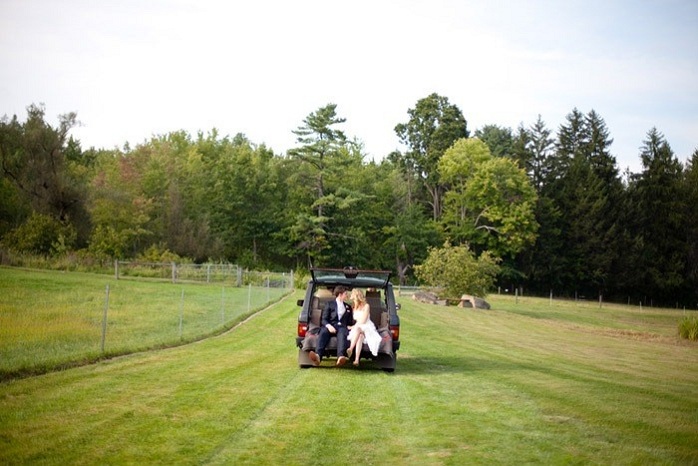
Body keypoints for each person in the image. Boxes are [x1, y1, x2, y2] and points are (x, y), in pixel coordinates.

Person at [309, 286, 353, 367]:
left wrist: (350, 326)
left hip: (342, 327)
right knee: (323, 332)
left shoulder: (348, 307)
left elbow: (349, 322)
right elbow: (324, 319)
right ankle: (318, 356)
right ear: (340, 294)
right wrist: (329, 326)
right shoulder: (329, 304)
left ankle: (340, 357)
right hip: (330, 325)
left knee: (343, 333)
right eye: (345, 294)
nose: (347, 296)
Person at [346, 288, 382, 366]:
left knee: (358, 329)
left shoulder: (366, 306)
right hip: (358, 329)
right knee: (360, 337)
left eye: (352, 295)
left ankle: (351, 348)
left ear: (356, 296)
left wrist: (353, 327)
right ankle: (356, 360)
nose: (351, 296)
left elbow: (364, 320)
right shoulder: (354, 306)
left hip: (367, 326)